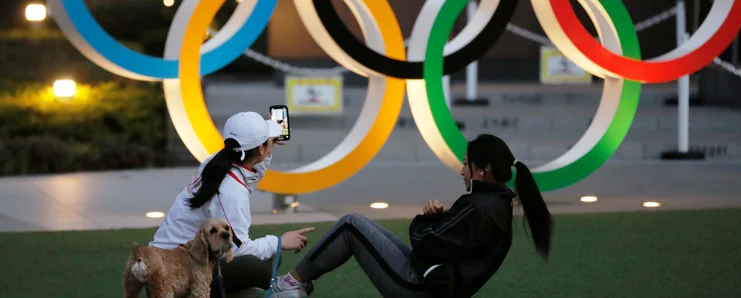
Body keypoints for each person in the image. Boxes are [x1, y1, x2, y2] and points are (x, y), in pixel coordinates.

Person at [269, 134, 553, 298]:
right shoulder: (494, 205)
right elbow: (447, 245)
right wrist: (439, 218)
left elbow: (425, 242)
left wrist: (427, 217)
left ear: (484, 170)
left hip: (419, 289)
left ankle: (289, 286)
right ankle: (296, 283)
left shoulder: (480, 208)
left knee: (351, 226)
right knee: (355, 222)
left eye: (466, 164)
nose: (462, 171)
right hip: (431, 282)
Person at [149, 111, 316, 297]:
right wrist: (279, 242)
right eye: (267, 140)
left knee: (268, 256)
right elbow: (237, 249)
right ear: (259, 148)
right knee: (256, 266)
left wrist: (267, 150)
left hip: (165, 263)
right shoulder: (231, 191)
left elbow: (249, 175)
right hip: (174, 276)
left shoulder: (217, 162)